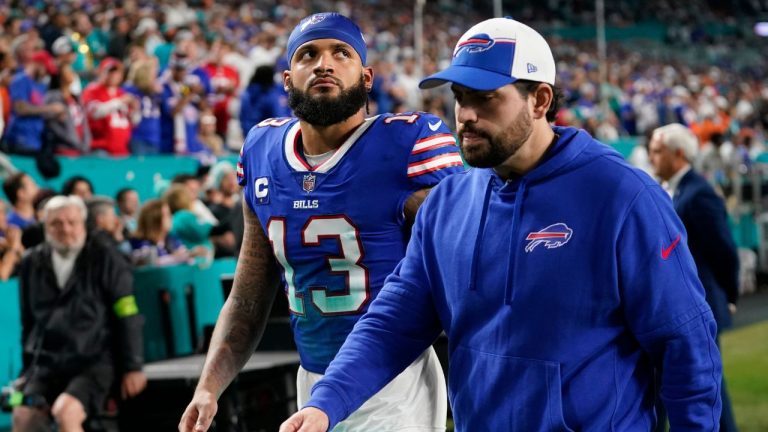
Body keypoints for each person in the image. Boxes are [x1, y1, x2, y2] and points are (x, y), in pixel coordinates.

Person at [280, 17, 722, 432]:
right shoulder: (446, 204)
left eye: (485, 97)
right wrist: (324, 404)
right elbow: (392, 323)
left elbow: (685, 344)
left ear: (540, 100)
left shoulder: (623, 197)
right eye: (460, 97)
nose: (466, 114)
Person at [179, 12, 464, 432]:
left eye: (341, 53)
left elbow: (463, 264)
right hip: (311, 379)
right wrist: (208, 386)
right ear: (287, 79)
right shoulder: (262, 151)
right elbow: (249, 295)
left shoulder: (407, 144)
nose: (324, 64)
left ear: (367, 78)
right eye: (308, 54)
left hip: (394, 382)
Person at [12, 195, 146, 431]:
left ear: (83, 224)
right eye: (56, 223)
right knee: (22, 415)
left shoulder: (106, 256)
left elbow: (127, 312)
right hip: (46, 364)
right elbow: (28, 321)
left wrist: (133, 366)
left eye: (72, 222)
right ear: (45, 226)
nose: (65, 229)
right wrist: (26, 370)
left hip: (95, 361)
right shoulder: (31, 262)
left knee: (66, 412)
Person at [648, 122, 740, 432]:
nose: (651, 156)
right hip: (673, 310)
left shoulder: (699, 193)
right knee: (671, 385)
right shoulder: (671, 191)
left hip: (700, 307)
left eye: (658, 151)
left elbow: (724, 251)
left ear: (679, 154)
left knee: (706, 390)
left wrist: (729, 296)